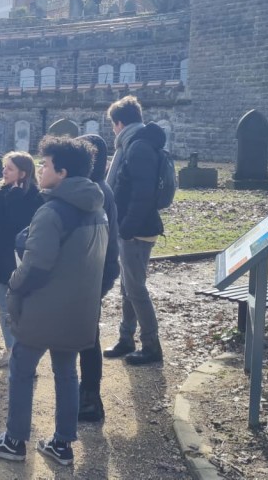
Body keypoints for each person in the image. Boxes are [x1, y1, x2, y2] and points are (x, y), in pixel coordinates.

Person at [0, 135, 107, 466]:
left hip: (44, 307)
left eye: (45, 164)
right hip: (78, 308)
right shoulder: (97, 208)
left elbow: (35, 265)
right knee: (66, 371)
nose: (41, 169)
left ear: (61, 172)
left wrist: (14, 286)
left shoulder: (52, 211)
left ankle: (14, 441)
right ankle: (62, 444)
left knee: (21, 368)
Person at [103, 96, 167, 366]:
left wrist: (126, 228)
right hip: (130, 226)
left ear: (119, 123)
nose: (113, 131)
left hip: (137, 228)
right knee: (127, 288)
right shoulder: (133, 143)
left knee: (135, 288)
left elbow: (143, 194)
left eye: (113, 125)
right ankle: (126, 338)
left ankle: (151, 345)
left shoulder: (138, 147)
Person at [0, 151, 43, 368]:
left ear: (23, 173)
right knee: (4, 309)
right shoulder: (2, 193)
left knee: (22, 310)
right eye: (5, 167)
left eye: (10, 168)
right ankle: (11, 350)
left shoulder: (34, 198)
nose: (4, 171)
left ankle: (23, 358)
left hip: (18, 263)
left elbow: (24, 230)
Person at [76, 134, 120, 422]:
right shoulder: (97, 188)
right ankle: (88, 393)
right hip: (98, 270)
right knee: (86, 335)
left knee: (88, 337)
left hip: (94, 271)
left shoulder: (96, 192)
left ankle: (91, 398)